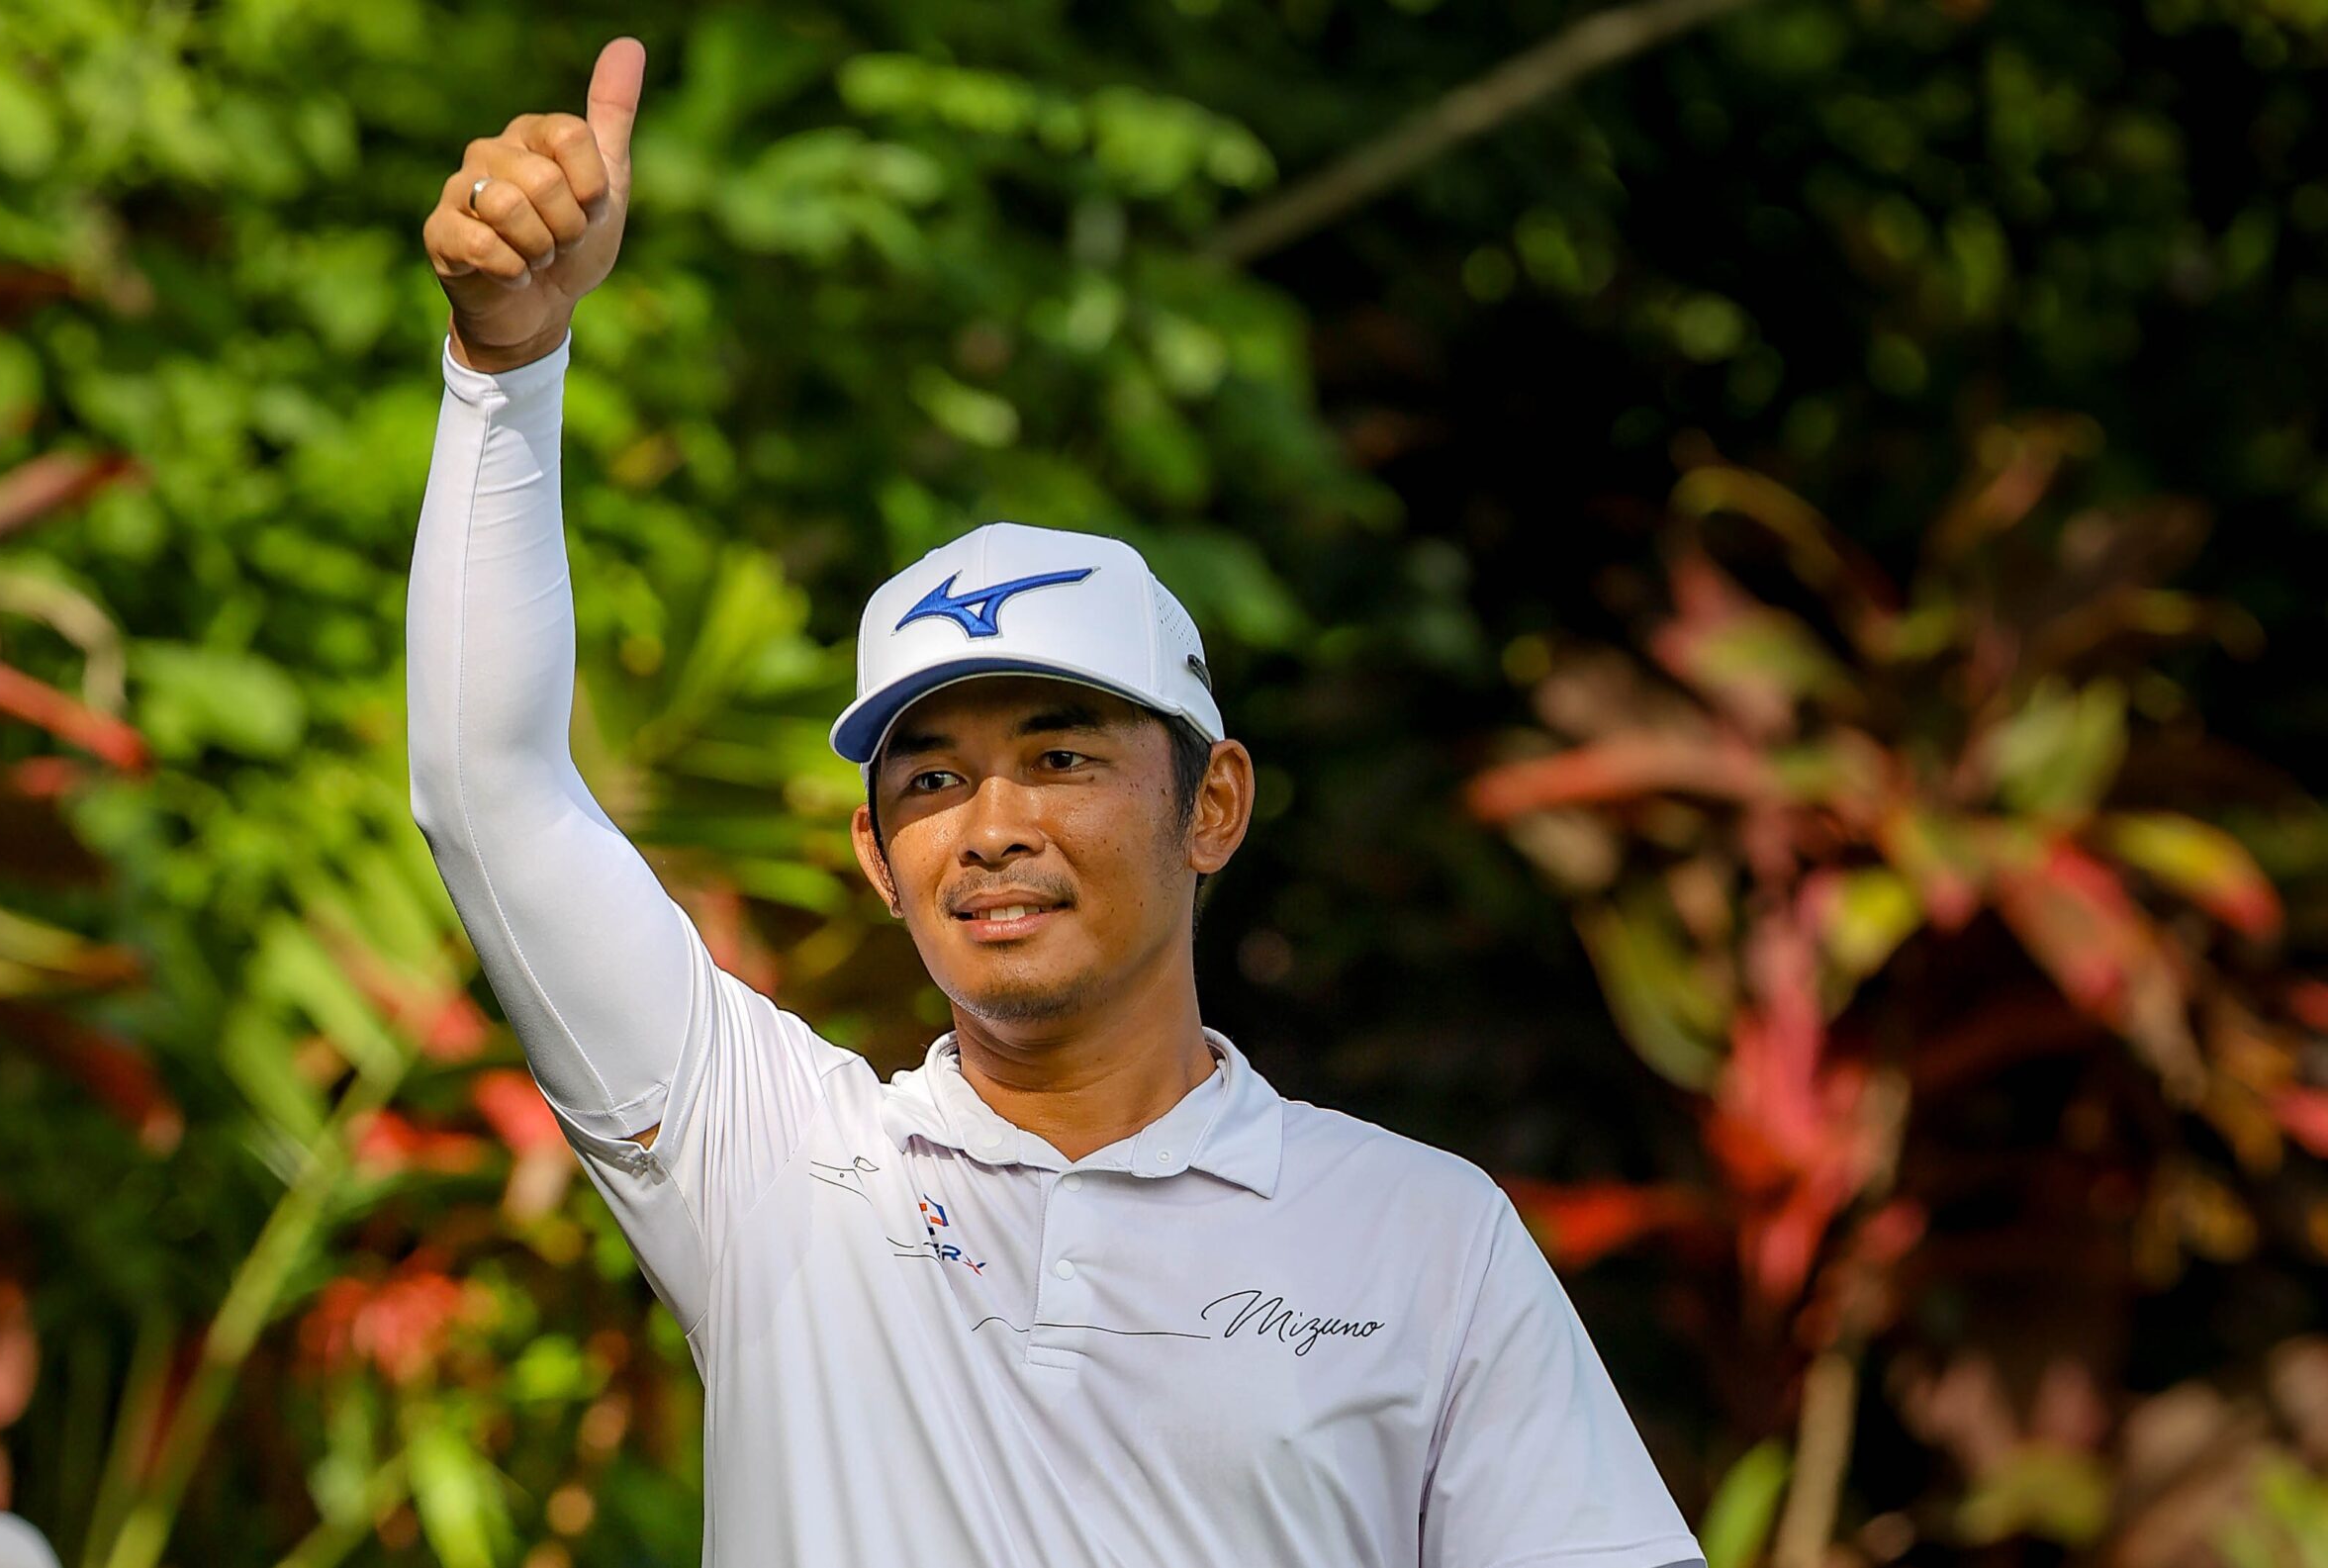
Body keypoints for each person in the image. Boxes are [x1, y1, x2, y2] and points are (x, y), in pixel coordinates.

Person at [407, 34, 1707, 1568]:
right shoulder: (774, 1169)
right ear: (876, 854)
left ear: (1213, 803)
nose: (994, 824)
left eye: (1064, 755)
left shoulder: (1422, 1235)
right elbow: (490, 790)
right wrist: (507, 365)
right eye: (933, 777)